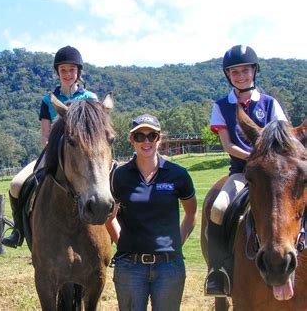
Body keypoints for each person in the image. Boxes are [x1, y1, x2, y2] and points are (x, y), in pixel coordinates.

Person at [204, 45, 288, 296]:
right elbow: (228, 145)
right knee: (219, 209)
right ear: (228, 75)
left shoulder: (270, 104)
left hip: (273, 176)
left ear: (254, 71)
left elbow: (284, 140)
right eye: (235, 72)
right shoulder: (221, 105)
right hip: (241, 173)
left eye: (245, 71)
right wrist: (256, 157)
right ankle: (218, 271)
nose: (241, 76)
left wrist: (268, 162)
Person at [1, 46, 98, 248]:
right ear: (58, 72)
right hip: (54, 152)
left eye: (71, 70)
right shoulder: (48, 101)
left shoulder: (91, 99)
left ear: (78, 72)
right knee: (17, 184)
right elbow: (45, 134)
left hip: (87, 156)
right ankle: (18, 231)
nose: (68, 74)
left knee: (109, 185)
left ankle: (117, 235)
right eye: (63, 70)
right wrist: (51, 150)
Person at [106, 114, 197, 311]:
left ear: (159, 138)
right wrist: (121, 241)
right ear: (132, 140)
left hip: (169, 268)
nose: (146, 141)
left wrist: (176, 245)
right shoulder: (118, 176)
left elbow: (191, 214)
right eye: (139, 136)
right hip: (130, 267)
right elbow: (109, 216)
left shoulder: (178, 175)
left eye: (152, 136)